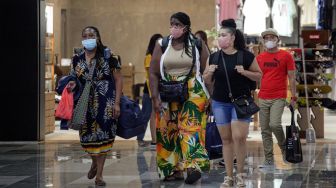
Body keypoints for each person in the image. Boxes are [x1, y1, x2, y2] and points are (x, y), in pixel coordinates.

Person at [149, 12, 210, 184]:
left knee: (190, 128)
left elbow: (207, 71)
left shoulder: (198, 44)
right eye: (171, 24)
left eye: (177, 24)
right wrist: (155, 98)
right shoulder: (162, 44)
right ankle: (171, 169)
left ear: (186, 27)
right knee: (167, 131)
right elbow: (153, 73)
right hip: (168, 90)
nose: (173, 27)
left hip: (192, 90)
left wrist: (211, 95)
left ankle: (192, 167)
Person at [203, 19, 262, 187]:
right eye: (219, 36)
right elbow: (206, 79)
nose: (220, 38)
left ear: (232, 37)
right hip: (220, 102)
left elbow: (259, 75)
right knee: (226, 139)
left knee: (239, 137)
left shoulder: (245, 56)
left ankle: (241, 174)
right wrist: (209, 73)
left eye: (223, 35)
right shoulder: (214, 57)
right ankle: (229, 177)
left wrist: (245, 72)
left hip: (241, 102)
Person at [69, 26, 122, 186]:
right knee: (86, 139)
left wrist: (117, 103)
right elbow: (72, 78)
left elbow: (119, 80)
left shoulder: (109, 56)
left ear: (98, 37)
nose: (88, 37)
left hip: (105, 103)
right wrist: (71, 85)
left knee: (104, 137)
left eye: (91, 35)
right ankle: (94, 162)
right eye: (85, 35)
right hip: (84, 103)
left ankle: (99, 175)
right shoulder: (76, 58)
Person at [256, 28, 296, 168]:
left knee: (274, 124)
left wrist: (293, 97)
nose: (269, 40)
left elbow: (292, 77)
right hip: (263, 96)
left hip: (279, 95)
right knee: (265, 129)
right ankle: (268, 159)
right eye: (266, 38)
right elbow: (256, 76)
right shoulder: (260, 57)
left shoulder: (286, 56)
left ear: (277, 40)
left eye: (272, 38)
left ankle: (284, 147)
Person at [137, 33, 163, 148]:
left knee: (156, 114)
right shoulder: (149, 56)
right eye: (157, 42)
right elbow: (151, 74)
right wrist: (154, 94)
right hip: (150, 89)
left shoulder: (162, 55)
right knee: (146, 115)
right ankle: (140, 138)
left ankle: (156, 139)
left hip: (159, 88)